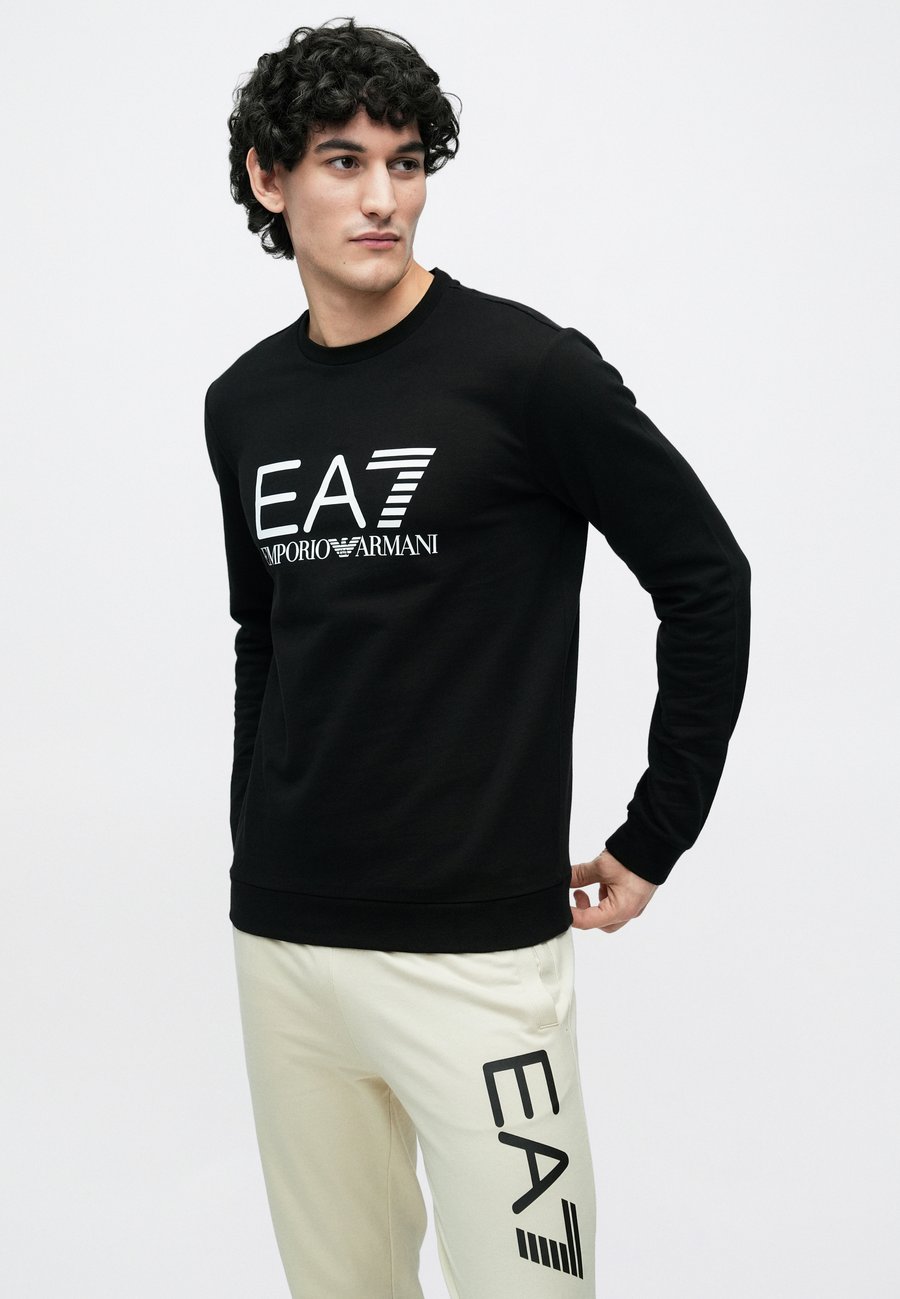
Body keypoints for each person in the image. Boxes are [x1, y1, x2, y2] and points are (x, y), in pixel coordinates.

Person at [203, 17, 751, 1298]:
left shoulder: (525, 372)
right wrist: (254, 833)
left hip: (478, 953)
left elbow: (707, 580)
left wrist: (658, 830)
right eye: (343, 162)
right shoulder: (243, 403)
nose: (383, 199)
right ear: (268, 178)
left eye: (405, 163)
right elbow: (264, 633)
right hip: (287, 943)